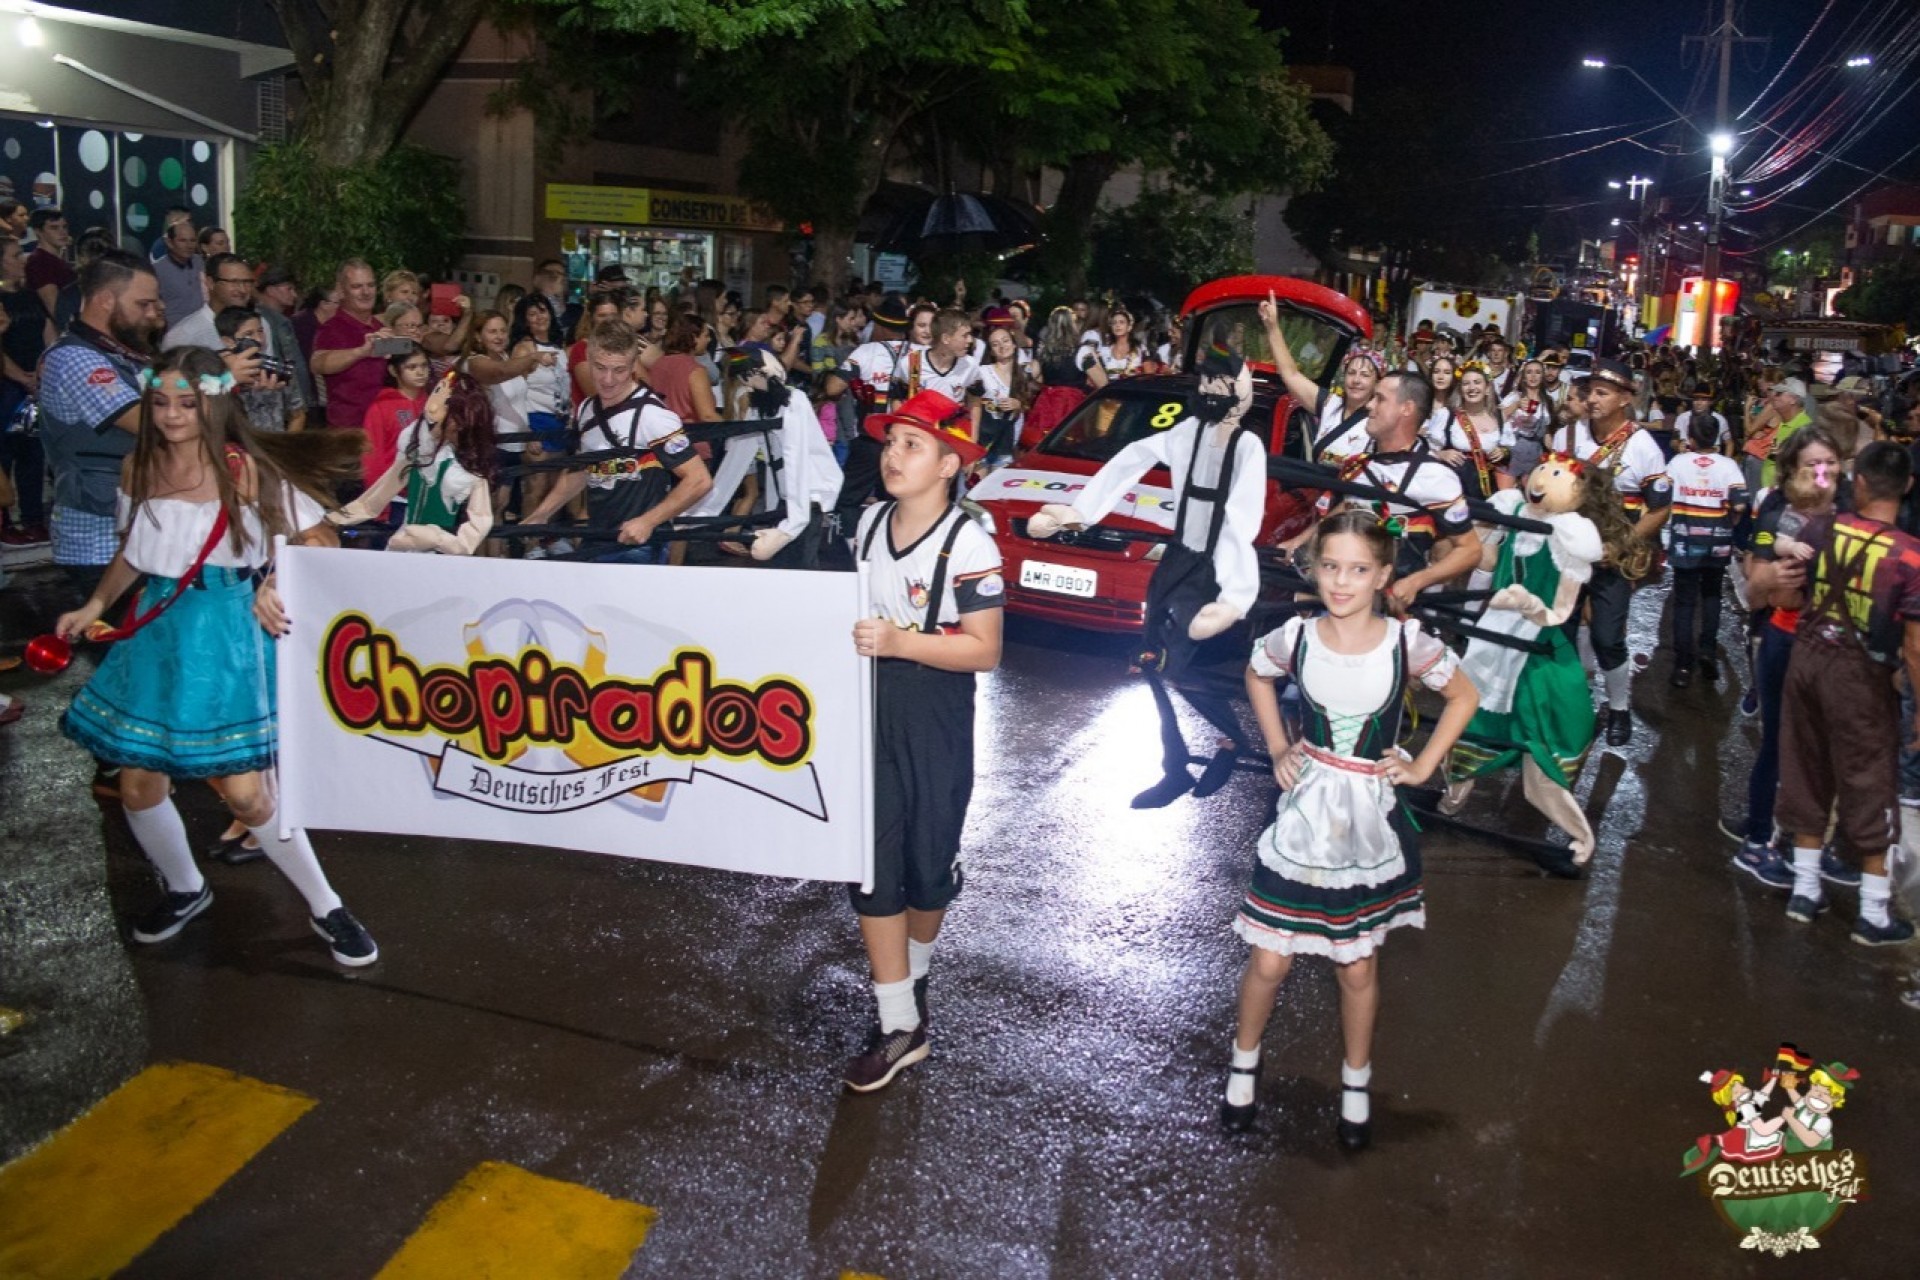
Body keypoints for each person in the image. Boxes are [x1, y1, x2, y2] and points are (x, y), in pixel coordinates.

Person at [54, 347, 378, 965]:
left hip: (228, 635)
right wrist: (96, 604)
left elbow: (320, 536)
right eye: (161, 403)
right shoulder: (136, 468)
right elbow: (135, 551)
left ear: (216, 402)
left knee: (249, 796)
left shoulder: (247, 470)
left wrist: (275, 582)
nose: (173, 416)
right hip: (158, 632)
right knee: (138, 783)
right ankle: (184, 889)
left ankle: (326, 904)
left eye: (188, 403)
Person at [1223, 509, 1478, 1144]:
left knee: (1357, 966)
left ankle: (1356, 1081)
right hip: (1301, 817)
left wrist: (1421, 765)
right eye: (1330, 566)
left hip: (1368, 820)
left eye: (1358, 570)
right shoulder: (1297, 636)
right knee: (1269, 960)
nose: (1341, 582)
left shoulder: (1404, 642)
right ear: (1314, 570)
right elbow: (1256, 674)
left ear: (1383, 575)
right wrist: (1280, 745)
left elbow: (1464, 695)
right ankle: (1243, 1065)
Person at [844, 389, 1003, 1091]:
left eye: (912, 445)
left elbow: (986, 650)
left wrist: (903, 640)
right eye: (890, 441)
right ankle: (898, 1021)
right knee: (872, 864)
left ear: (949, 464)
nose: (893, 455)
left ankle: (916, 979)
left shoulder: (969, 541)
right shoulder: (869, 523)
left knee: (927, 863)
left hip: (935, 709)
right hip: (869, 703)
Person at [1765, 441, 1920, 945]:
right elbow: (1915, 647)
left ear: (1862, 482)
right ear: (1908, 487)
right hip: (1862, 681)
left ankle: (1805, 891)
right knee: (1870, 783)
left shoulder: (1820, 528)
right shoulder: (1910, 557)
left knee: (1804, 767)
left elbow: (1786, 594)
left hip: (1807, 661)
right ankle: (1874, 915)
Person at [1730, 429, 1851, 889]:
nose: (1824, 473)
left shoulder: (1853, 509)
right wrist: (1775, 578)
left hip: (1840, 647)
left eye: (1832, 463)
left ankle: (1814, 845)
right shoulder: (1778, 509)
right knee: (1780, 744)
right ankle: (1759, 839)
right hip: (1785, 639)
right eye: (1812, 465)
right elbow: (1755, 590)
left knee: (1827, 750)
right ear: (1792, 470)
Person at [517, 320, 711, 563]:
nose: (608, 379)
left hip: (640, 546)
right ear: (587, 360)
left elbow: (699, 480)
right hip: (597, 538)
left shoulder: (653, 416)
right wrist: (542, 513)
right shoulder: (587, 408)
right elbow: (582, 469)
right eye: (599, 368)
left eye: (619, 370)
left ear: (633, 367)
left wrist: (648, 521)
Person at [1561, 359, 1669, 747]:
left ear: (1625, 398)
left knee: (1608, 636)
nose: (1592, 399)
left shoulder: (1643, 447)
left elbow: (1660, 509)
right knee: (1562, 629)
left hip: (1612, 555)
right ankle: (1572, 705)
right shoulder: (1566, 437)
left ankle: (1619, 708)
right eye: (1590, 391)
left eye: (1603, 393)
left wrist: (1619, 546)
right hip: (1568, 551)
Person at [331, 373, 495, 554]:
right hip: (404, 544)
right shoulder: (417, 452)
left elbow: (479, 524)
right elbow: (373, 500)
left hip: (442, 553)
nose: (433, 410)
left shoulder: (469, 469)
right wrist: (334, 519)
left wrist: (440, 539)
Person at [1666, 413, 1750, 687]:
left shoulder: (1678, 463)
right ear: (1715, 437)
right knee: (1712, 595)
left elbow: (1660, 493)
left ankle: (1682, 666)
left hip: (1685, 540)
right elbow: (1739, 504)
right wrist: (1729, 521)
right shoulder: (1728, 466)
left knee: (1685, 601)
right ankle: (1707, 651)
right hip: (1718, 540)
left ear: (1690, 437)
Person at [1, 234, 55, 546]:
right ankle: (4, 520)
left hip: (34, 386)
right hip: (8, 387)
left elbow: (50, 335)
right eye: (13, 256)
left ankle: (33, 518)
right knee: (4, 454)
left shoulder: (31, 296)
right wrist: (21, 377)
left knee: (32, 453)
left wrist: (42, 372)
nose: (21, 262)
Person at [310, 260, 401, 429]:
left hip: (384, 428)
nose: (366, 292)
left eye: (371, 285)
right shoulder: (332, 328)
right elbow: (317, 363)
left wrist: (406, 344)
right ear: (341, 290)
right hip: (348, 431)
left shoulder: (381, 329)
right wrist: (360, 352)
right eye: (357, 286)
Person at [216, 307, 305, 435]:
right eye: (249, 334)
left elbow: (298, 415)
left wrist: (284, 448)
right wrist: (230, 378)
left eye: (260, 331)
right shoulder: (213, 368)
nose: (259, 339)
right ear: (228, 341)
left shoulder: (277, 367)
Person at [359, 349, 434, 488]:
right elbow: (372, 457)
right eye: (411, 367)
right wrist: (380, 505)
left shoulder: (434, 402)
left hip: (428, 487)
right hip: (393, 492)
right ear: (394, 371)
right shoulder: (381, 407)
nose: (420, 372)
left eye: (424, 366)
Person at [152, 215, 203, 331]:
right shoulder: (157, 270)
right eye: (182, 240)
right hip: (174, 332)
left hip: (202, 329)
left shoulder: (200, 263)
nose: (189, 246)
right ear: (170, 242)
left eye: (192, 240)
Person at [24, 207, 73, 319]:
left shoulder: (55, 260)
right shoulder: (40, 261)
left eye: (64, 227)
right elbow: (54, 306)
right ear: (38, 231)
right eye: (54, 228)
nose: (62, 232)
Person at [1673, 387, 1731, 457]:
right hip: (1687, 456)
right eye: (1696, 399)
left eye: (1703, 400)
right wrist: (1677, 446)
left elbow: (1729, 443)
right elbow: (1674, 440)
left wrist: (1727, 460)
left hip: (1712, 456)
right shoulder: (1682, 418)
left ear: (1710, 402)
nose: (1699, 403)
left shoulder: (1720, 419)